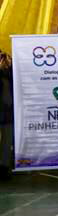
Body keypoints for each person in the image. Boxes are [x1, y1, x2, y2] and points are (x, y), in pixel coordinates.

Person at [0, 52, 12, 180]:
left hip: (6, 115)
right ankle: (3, 167)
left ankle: (3, 168)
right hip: (6, 115)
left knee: (6, 142)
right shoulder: (6, 77)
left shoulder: (7, 76)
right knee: (6, 142)